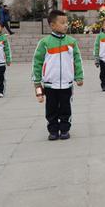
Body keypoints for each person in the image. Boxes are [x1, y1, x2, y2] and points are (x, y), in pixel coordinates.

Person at [32, 10, 84, 141]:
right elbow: (37, 62)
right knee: (51, 109)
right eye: (62, 22)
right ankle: (53, 130)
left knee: (66, 108)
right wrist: (37, 82)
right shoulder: (45, 42)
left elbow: (77, 60)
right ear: (52, 25)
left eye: (66, 22)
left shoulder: (71, 42)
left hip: (67, 84)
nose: (66, 25)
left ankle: (65, 129)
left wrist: (79, 76)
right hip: (50, 84)